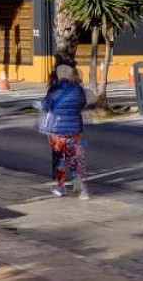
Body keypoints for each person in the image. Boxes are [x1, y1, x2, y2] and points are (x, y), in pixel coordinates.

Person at [40, 62, 89, 199]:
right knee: (74, 157)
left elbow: (46, 105)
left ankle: (61, 187)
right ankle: (79, 186)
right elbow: (82, 103)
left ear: (58, 74)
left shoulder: (54, 90)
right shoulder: (78, 89)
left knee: (60, 158)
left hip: (58, 130)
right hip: (75, 128)